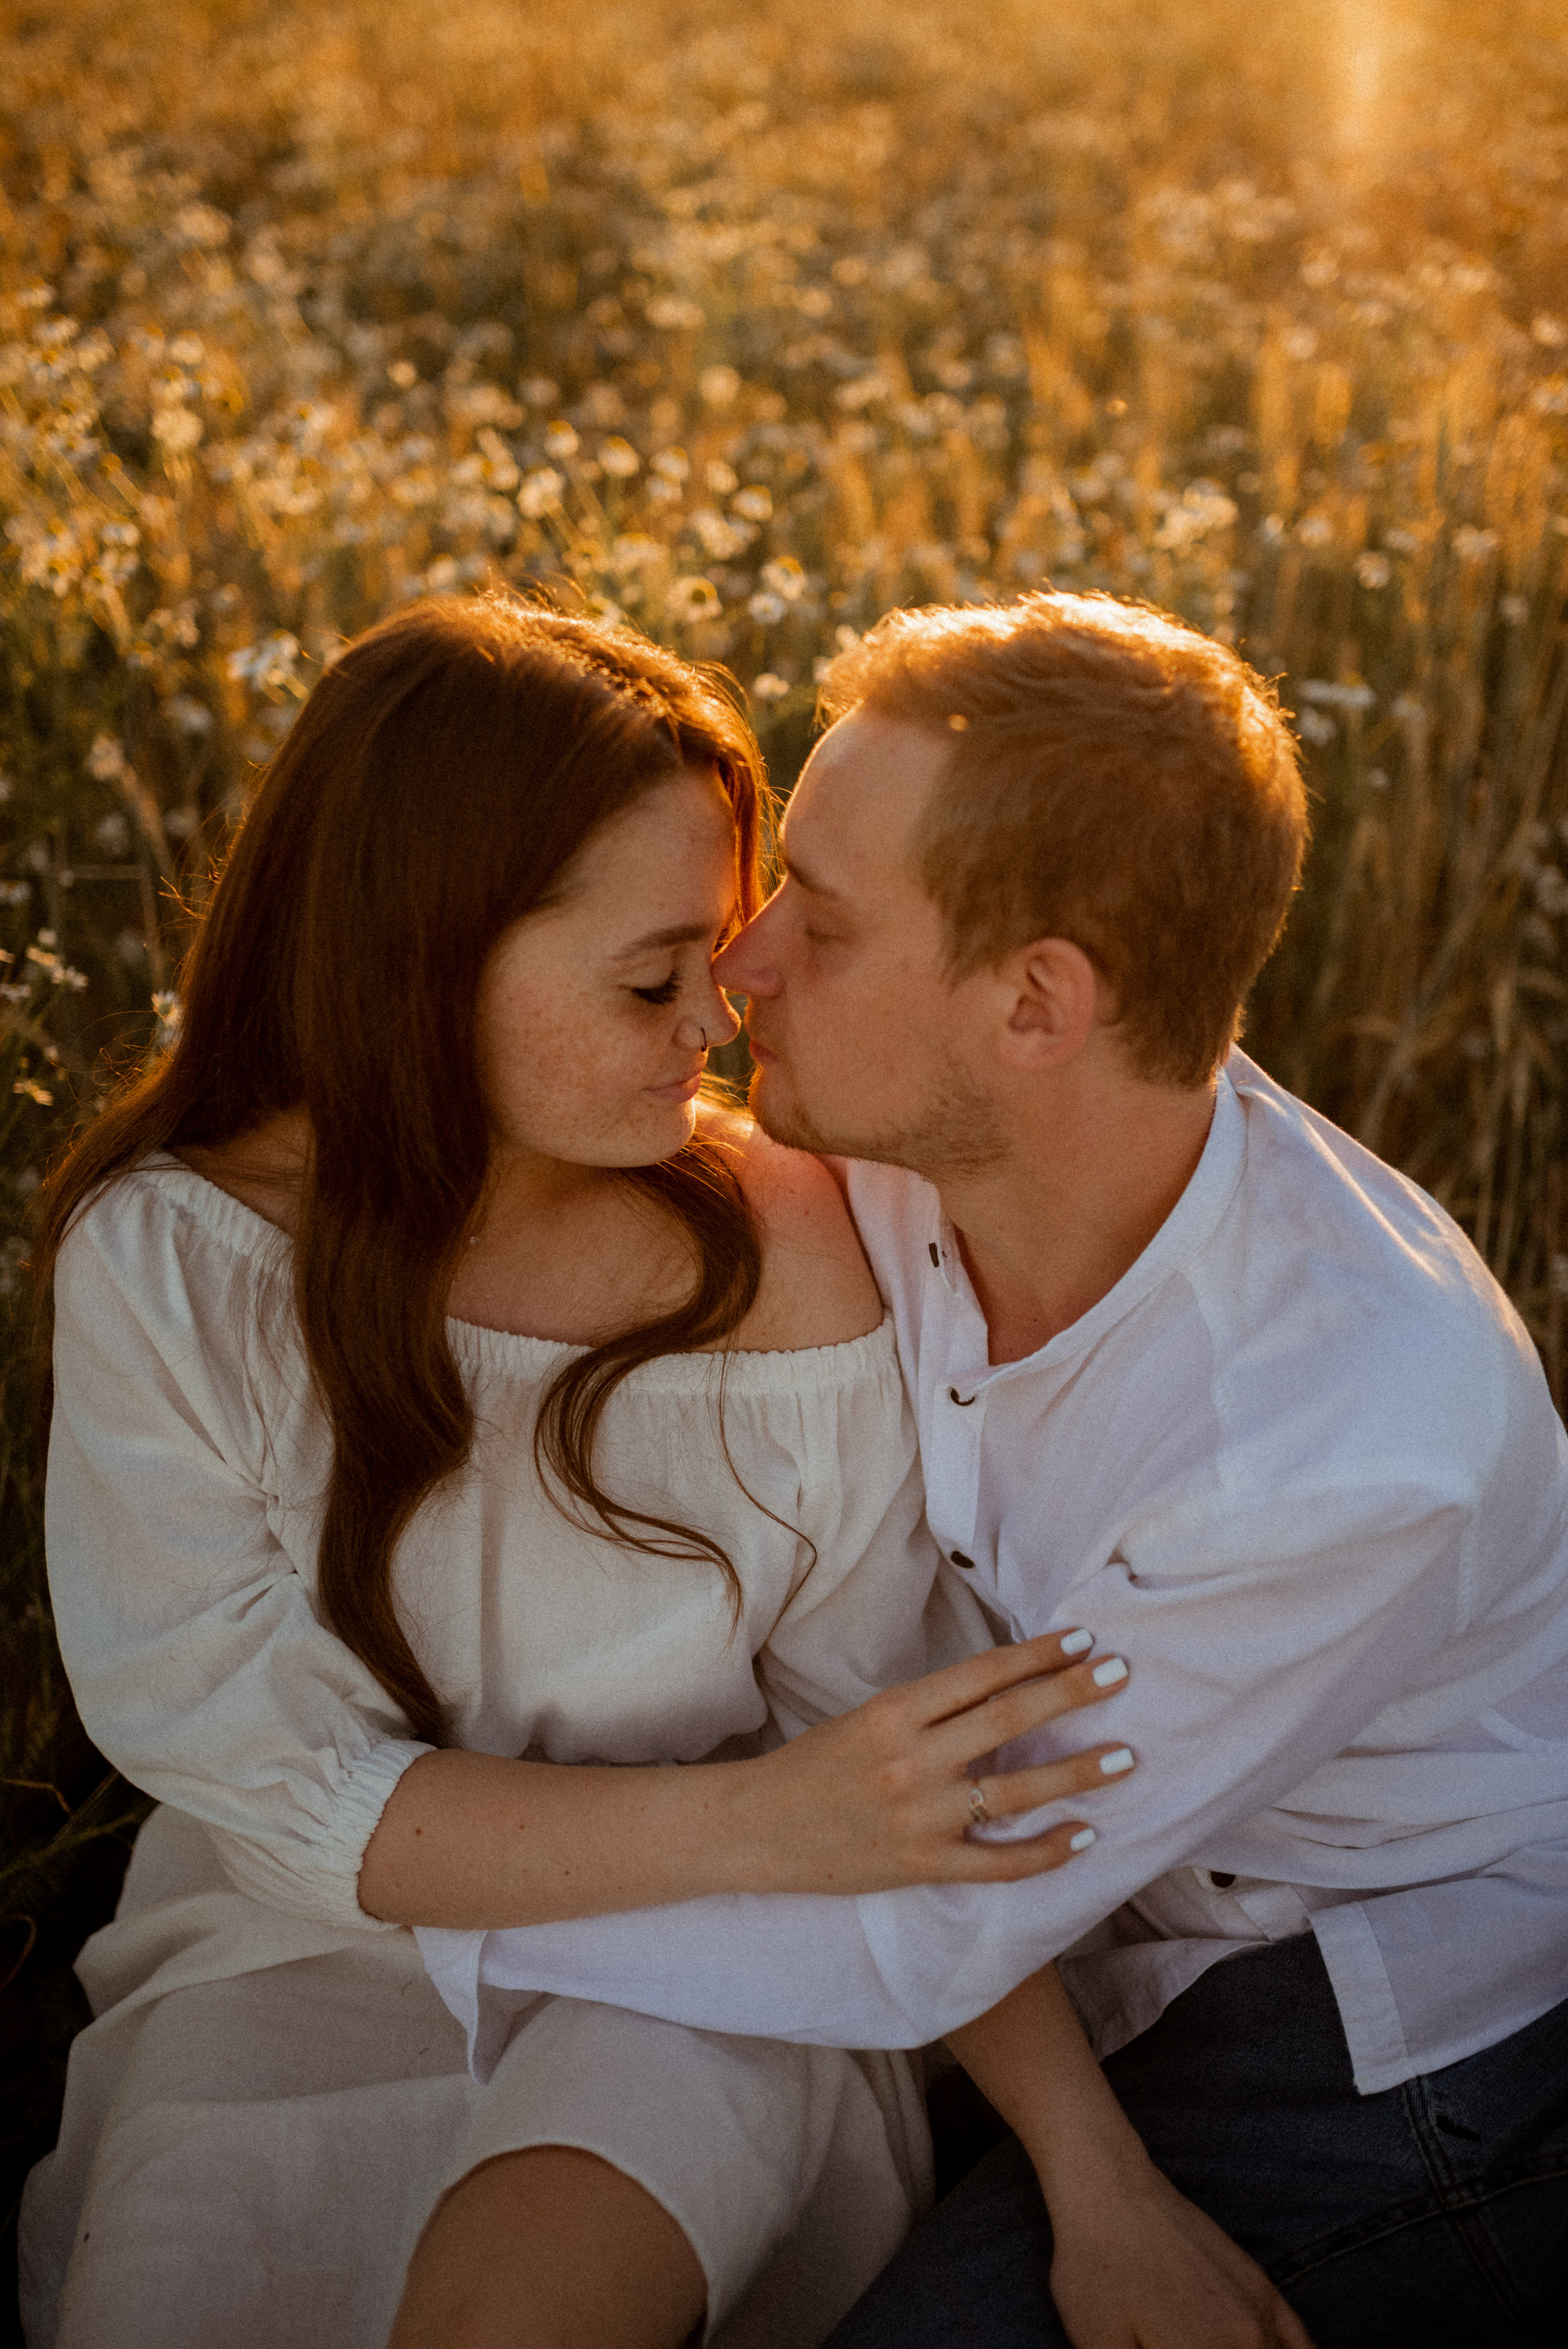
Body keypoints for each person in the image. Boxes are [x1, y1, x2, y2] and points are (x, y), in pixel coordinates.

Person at [19, 596, 1284, 2349]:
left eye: (730, 941)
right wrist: (767, 1812)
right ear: (420, 951)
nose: (722, 1014)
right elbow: (266, 1770)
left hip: (721, 1965)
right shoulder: (174, 1263)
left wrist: (1096, 2176)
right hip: (310, 1955)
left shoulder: (792, 1251)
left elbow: (901, 1760)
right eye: (649, 975)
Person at [420, 591, 1568, 2349]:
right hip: (1064, 1935)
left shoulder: (1343, 1440)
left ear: (1038, 1005)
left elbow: (936, 1907)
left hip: (1371, 2022)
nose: (747, 963)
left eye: (831, 918)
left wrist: (429, 1893)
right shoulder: (884, 1151)